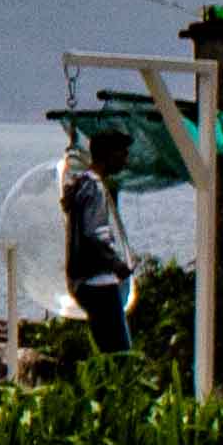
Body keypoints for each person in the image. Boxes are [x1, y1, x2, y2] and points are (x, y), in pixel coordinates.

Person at [61, 144, 136, 349]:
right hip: (99, 280)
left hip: (84, 280)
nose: (125, 161)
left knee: (105, 344)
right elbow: (94, 234)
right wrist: (117, 264)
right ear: (108, 155)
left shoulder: (83, 184)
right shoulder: (94, 187)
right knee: (118, 351)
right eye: (122, 153)